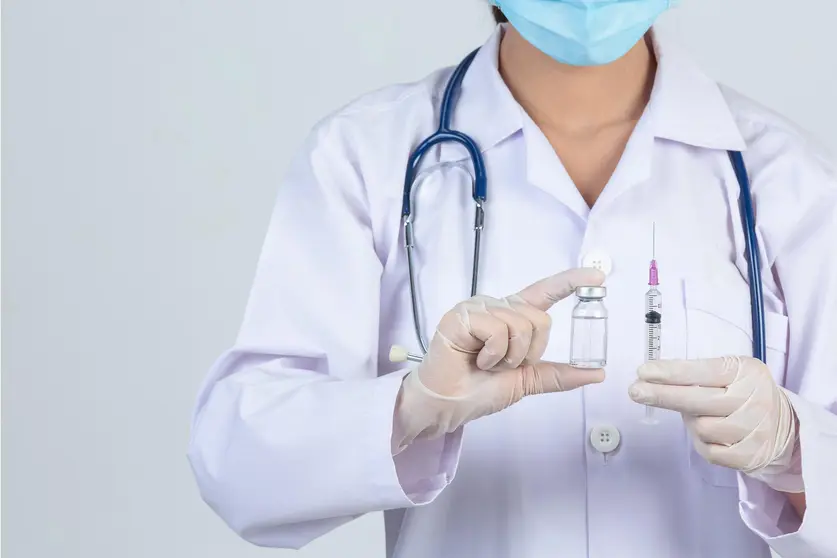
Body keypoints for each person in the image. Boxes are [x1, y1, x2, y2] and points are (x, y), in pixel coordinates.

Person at [188, 2, 837, 557]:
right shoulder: (367, 159)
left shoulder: (785, 178)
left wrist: (791, 446)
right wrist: (408, 409)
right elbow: (238, 468)